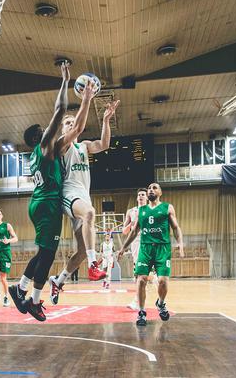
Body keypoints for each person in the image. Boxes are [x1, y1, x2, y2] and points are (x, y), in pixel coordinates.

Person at [10, 62, 93, 321]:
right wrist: (65, 81)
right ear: (39, 136)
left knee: (44, 252)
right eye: (42, 130)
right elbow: (59, 110)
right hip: (47, 204)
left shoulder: (43, 152)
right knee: (47, 254)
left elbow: (77, 129)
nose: (48, 129)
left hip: (39, 203)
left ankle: (21, 289)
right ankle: (32, 299)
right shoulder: (46, 146)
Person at [49, 97, 119, 303]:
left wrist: (106, 120)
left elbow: (104, 144)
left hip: (83, 196)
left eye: (73, 122)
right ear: (63, 130)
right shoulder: (61, 145)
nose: (72, 125)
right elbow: (76, 131)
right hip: (69, 194)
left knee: (80, 251)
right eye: (68, 123)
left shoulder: (84, 147)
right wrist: (86, 99)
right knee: (90, 213)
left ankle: (58, 281)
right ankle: (93, 265)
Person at [117, 182, 185, 327]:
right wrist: (123, 247)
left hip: (162, 248)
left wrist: (180, 243)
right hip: (145, 249)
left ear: (160, 192)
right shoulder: (141, 211)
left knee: (163, 281)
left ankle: (160, 303)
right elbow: (134, 232)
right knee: (141, 279)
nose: (151, 190)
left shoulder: (167, 207)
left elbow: (176, 227)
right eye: (149, 188)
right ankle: (141, 312)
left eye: (154, 188)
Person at [122, 189, 149, 309]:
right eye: (139, 195)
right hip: (136, 242)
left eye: (143, 195)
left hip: (149, 242)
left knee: (142, 274)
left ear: (147, 197)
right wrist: (132, 223)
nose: (141, 196)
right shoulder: (131, 211)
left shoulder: (152, 210)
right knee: (138, 274)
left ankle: (138, 300)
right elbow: (124, 231)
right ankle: (138, 300)